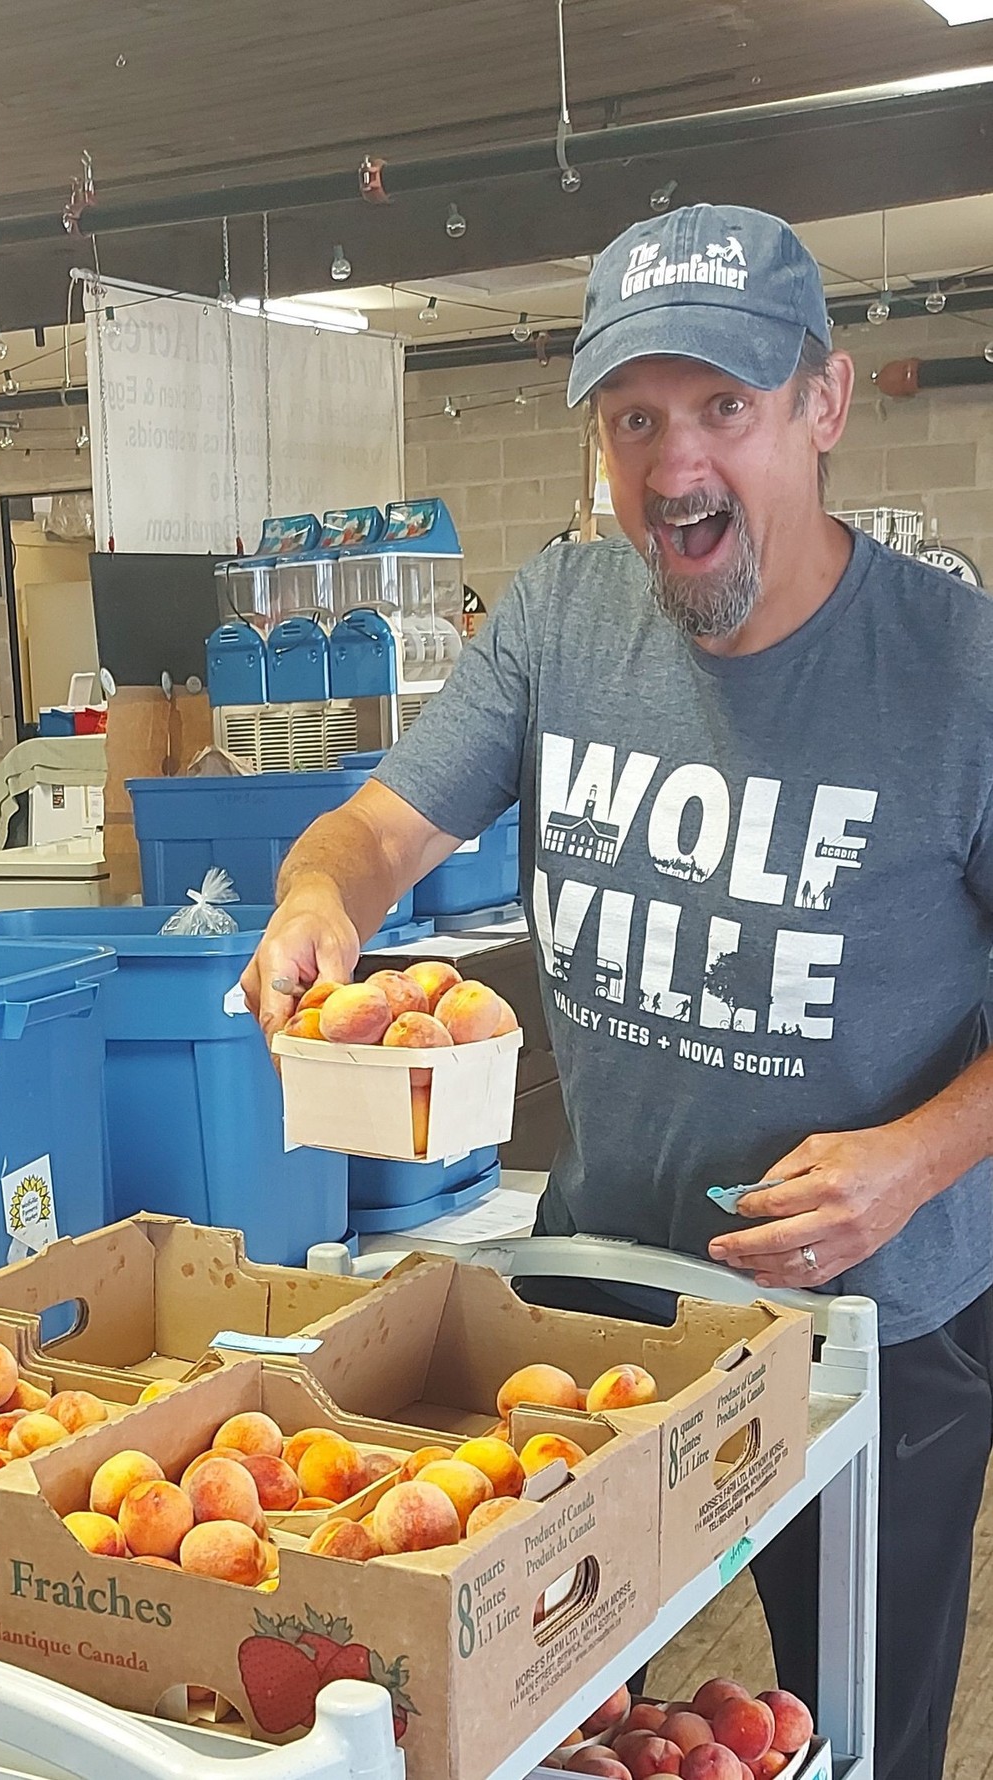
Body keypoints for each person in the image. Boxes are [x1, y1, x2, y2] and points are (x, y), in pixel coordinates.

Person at [242, 203, 993, 1780]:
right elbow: (382, 826)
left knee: (857, 1728)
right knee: (572, 1714)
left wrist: (915, 1157)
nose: (676, 466)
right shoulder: (564, 618)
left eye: (724, 406)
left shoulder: (957, 672)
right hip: (605, 1295)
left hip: (877, 1321)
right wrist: (321, 894)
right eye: (635, 417)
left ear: (823, 407)